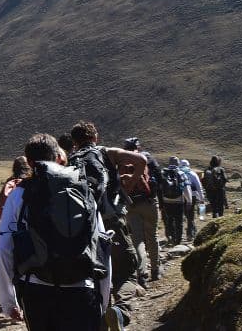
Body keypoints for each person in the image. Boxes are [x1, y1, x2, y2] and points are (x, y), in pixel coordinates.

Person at [0, 133, 111, 331]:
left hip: (37, 290)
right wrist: (104, 297)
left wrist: (9, 303)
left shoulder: (20, 194)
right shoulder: (83, 189)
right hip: (83, 287)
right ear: (58, 156)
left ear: (30, 162)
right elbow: (101, 245)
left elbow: (4, 249)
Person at [68, 122, 146, 331]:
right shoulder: (106, 152)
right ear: (96, 136)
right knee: (126, 272)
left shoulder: (69, 160)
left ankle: (102, 319)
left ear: (74, 142)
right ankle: (120, 311)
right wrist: (131, 181)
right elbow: (141, 159)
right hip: (111, 223)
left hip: (84, 229)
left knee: (96, 275)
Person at [122, 137, 164, 286]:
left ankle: (142, 274)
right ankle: (156, 270)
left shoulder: (121, 161)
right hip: (149, 202)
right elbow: (159, 179)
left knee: (137, 240)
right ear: (138, 147)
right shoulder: (147, 158)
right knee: (152, 236)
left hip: (131, 205)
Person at [161, 156, 192, 245]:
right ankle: (178, 240)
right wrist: (189, 201)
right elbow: (186, 188)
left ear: (169, 163)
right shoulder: (181, 173)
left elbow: (159, 188)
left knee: (169, 220)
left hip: (166, 201)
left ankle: (171, 236)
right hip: (179, 201)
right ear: (178, 163)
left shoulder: (163, 172)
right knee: (179, 221)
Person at [179, 159, 204, 241]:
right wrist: (201, 198)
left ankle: (182, 233)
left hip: (180, 197)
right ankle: (190, 234)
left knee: (185, 215)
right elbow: (199, 187)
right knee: (190, 215)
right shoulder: (192, 173)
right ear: (188, 165)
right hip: (192, 196)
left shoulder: (178, 173)